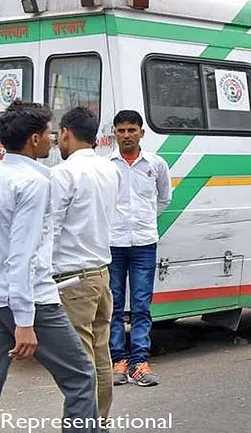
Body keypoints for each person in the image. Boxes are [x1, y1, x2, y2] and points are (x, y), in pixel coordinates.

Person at [0, 101, 100, 433]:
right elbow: (22, 256)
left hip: (3, 297)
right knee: (81, 378)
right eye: (48, 133)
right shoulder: (33, 184)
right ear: (33, 139)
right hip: (31, 299)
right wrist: (25, 321)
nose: (53, 139)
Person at [51, 107, 120, 422]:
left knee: (81, 365)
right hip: (101, 274)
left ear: (66, 132)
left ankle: (84, 425)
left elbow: (50, 228)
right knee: (100, 357)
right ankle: (100, 421)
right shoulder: (110, 169)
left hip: (73, 280)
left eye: (58, 136)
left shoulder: (64, 173)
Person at [108, 111, 170, 388]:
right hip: (113, 243)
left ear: (142, 133)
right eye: (121, 131)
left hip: (145, 242)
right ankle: (119, 360)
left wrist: (144, 220)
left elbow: (164, 199)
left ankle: (140, 363)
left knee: (142, 305)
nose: (126, 135)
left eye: (132, 130)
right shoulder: (106, 166)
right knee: (114, 305)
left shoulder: (155, 164)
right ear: (114, 134)